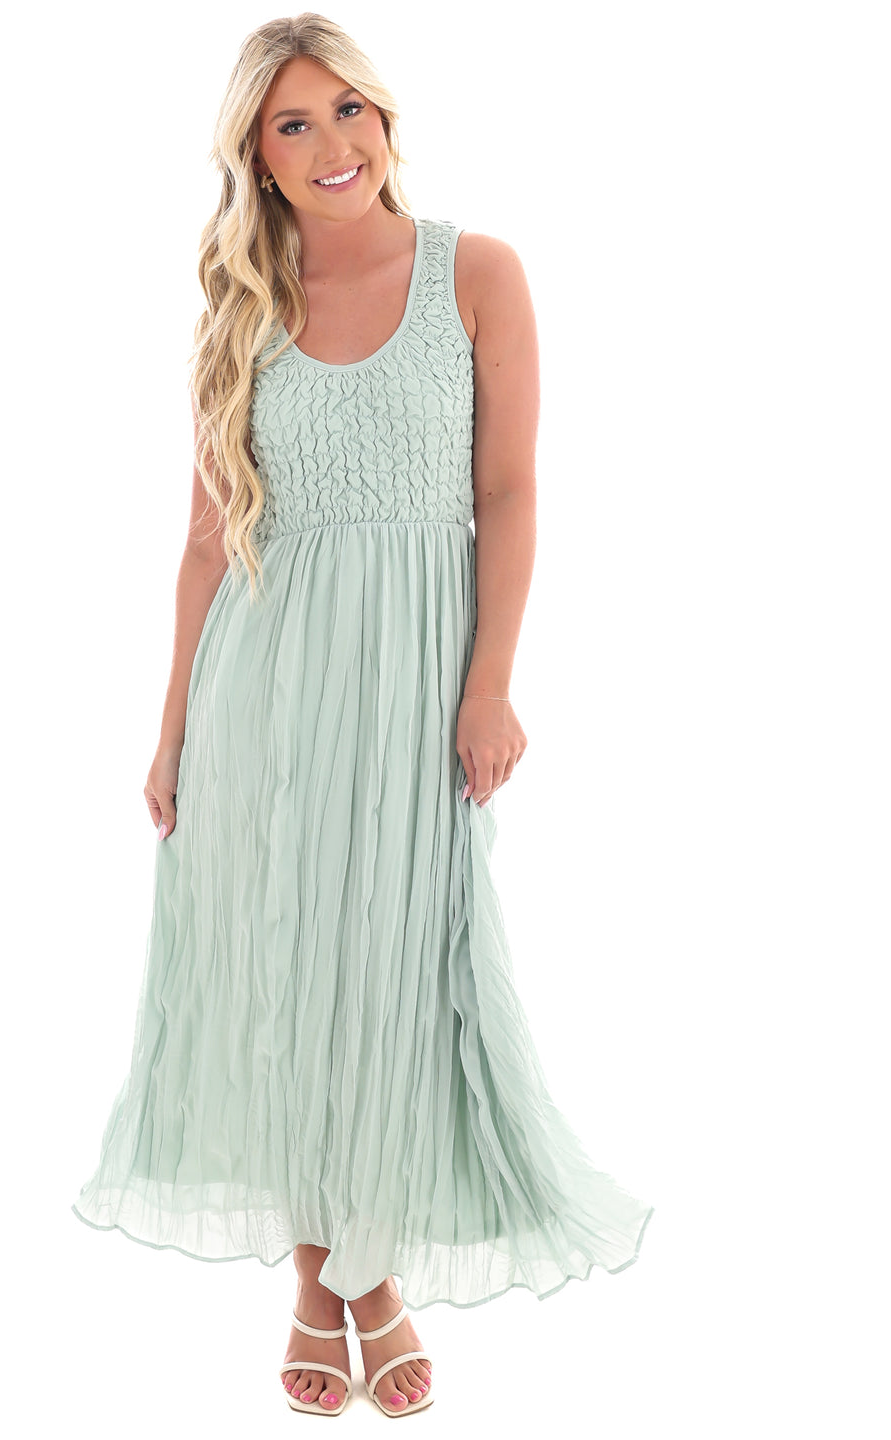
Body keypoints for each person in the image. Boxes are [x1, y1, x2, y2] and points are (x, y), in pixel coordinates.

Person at [71, 13, 654, 1419]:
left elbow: (507, 489)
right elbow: (207, 538)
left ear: (386, 119)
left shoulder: (478, 272)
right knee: (283, 982)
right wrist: (171, 729)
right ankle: (335, 1285)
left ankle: (358, 1268)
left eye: (349, 111)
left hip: (416, 683)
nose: (333, 145)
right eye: (294, 124)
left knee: (397, 976)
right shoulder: (239, 308)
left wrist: (491, 681)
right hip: (262, 687)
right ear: (257, 159)